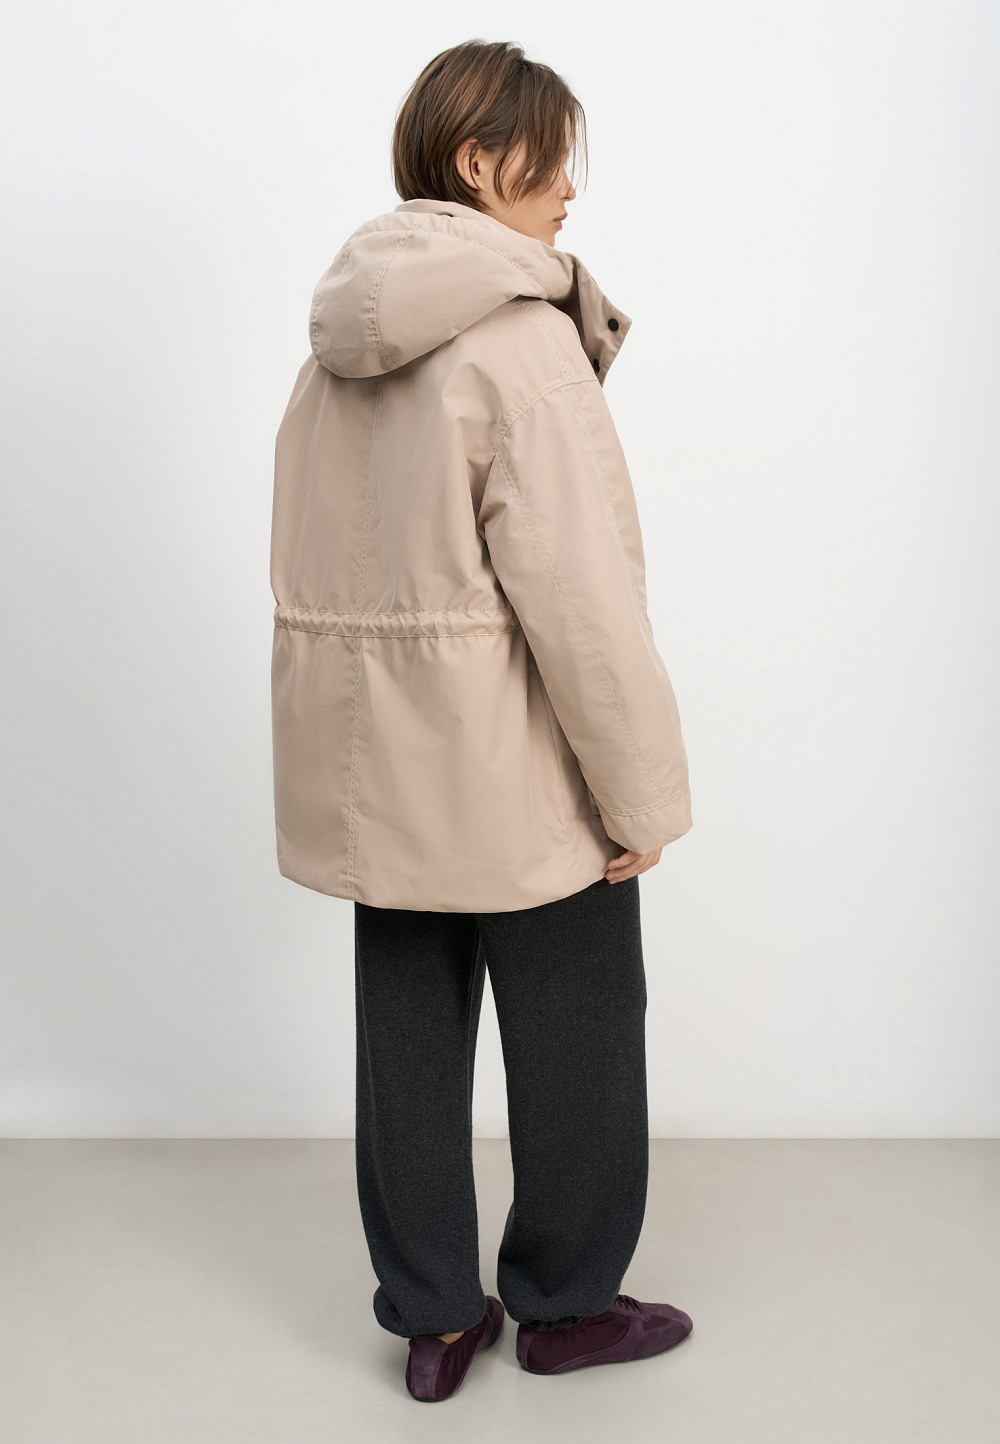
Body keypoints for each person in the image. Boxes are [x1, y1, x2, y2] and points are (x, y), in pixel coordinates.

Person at [269, 39, 694, 1401]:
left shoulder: (334, 346)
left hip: (376, 774)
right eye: (552, 159)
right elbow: (581, 600)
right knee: (580, 1033)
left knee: (404, 1043)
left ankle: (435, 1318)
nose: (570, 189)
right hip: (518, 771)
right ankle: (565, 1307)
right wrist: (640, 797)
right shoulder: (520, 342)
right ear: (477, 160)